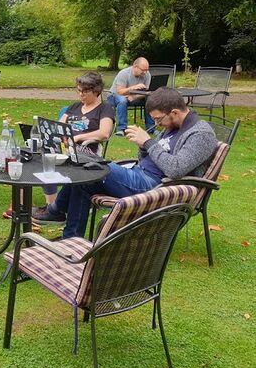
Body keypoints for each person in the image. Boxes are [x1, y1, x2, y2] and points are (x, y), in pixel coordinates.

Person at [33, 87, 217, 238]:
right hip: (140, 174)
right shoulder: (174, 125)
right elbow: (147, 158)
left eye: (158, 119)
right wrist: (143, 146)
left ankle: (55, 210)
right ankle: (71, 239)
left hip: (157, 186)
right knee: (85, 177)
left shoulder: (200, 134)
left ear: (175, 112)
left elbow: (176, 169)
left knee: (92, 167)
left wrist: (148, 142)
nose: (157, 124)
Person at [38, 71, 115, 214]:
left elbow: (104, 133)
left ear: (96, 91)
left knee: (56, 158)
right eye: (79, 91)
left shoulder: (104, 109)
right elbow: (59, 127)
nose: (81, 95)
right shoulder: (74, 107)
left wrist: (79, 137)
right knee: (45, 156)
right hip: (65, 146)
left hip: (87, 150)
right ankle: (52, 205)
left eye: (85, 92)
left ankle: (55, 210)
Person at [108, 57, 153, 135]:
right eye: (143, 70)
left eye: (146, 70)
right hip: (115, 96)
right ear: (135, 66)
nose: (145, 72)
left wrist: (134, 97)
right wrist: (132, 88)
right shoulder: (124, 73)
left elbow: (147, 93)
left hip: (135, 97)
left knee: (150, 99)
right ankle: (121, 129)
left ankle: (151, 128)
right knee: (122, 100)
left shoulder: (147, 74)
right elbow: (119, 91)